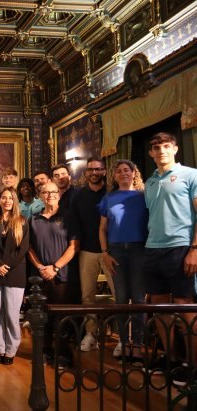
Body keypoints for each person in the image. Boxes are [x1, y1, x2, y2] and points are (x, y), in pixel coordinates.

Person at [143, 132, 197, 371]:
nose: (161, 150)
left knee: (185, 306)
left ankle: (193, 365)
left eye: (166, 146)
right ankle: (172, 359)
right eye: (156, 147)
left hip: (181, 247)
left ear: (175, 149)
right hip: (152, 249)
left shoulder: (191, 175)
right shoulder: (150, 181)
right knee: (160, 308)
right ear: (151, 153)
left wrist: (195, 248)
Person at [99, 160, 148, 363]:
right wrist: (105, 253)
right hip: (116, 251)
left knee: (138, 299)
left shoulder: (144, 196)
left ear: (134, 173)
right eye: (118, 171)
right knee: (120, 299)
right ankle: (124, 343)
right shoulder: (109, 197)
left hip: (139, 249)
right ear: (114, 175)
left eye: (126, 170)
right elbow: (102, 229)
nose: (123, 173)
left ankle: (137, 346)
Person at [28, 181, 80, 368]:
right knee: (42, 318)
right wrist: (41, 267)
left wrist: (55, 267)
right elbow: (29, 247)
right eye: (45, 192)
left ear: (59, 194)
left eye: (53, 192)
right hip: (40, 277)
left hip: (64, 276)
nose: (49, 195)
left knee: (63, 319)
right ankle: (44, 351)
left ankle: (64, 354)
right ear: (40, 195)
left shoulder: (68, 216)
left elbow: (74, 246)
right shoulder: (33, 219)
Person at [70, 157, 113, 352]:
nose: (94, 172)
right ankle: (90, 333)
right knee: (87, 296)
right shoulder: (78, 195)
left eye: (98, 169)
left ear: (104, 171)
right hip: (86, 251)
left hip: (111, 252)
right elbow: (74, 222)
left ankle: (123, 337)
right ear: (85, 173)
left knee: (119, 295)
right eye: (91, 169)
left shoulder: (112, 193)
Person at [0, 188, 29, 366]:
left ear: (14, 201)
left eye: (10, 198)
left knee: (11, 314)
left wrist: (6, 265)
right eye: (4, 197)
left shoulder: (23, 222)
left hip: (15, 273)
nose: (7, 200)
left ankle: (11, 350)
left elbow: (23, 248)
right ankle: (0, 349)